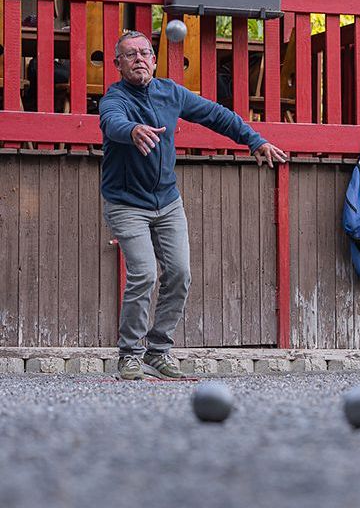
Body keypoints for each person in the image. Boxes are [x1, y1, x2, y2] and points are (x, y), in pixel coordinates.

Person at [99, 30, 287, 380]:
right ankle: (129, 354)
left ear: (154, 60)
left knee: (180, 274)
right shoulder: (115, 98)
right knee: (142, 273)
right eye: (130, 55)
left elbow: (218, 115)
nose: (139, 58)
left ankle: (158, 350)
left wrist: (255, 141)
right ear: (118, 64)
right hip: (126, 204)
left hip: (167, 202)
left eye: (144, 53)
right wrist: (133, 131)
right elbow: (112, 123)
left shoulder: (171, 92)